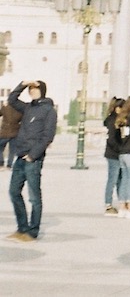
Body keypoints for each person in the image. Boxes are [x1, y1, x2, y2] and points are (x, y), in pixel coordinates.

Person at [6, 81, 57, 241]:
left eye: (34, 89)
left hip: (32, 159)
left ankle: (32, 231)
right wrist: (22, 84)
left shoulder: (49, 111)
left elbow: (47, 136)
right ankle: (22, 228)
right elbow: (12, 99)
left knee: (34, 197)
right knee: (14, 192)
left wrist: (32, 155)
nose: (31, 92)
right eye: (30, 89)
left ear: (42, 90)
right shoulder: (28, 108)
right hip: (20, 157)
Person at [101, 97, 125, 214]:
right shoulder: (113, 121)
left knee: (119, 179)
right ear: (118, 109)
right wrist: (120, 149)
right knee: (113, 178)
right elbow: (112, 139)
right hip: (113, 154)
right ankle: (108, 204)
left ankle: (121, 201)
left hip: (115, 152)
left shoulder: (115, 120)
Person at [0, 98, 21, 168]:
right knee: (12, 150)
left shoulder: (5, 108)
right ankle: (9, 165)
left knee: (0, 148)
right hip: (15, 132)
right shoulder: (19, 110)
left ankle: (1, 163)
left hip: (4, 132)